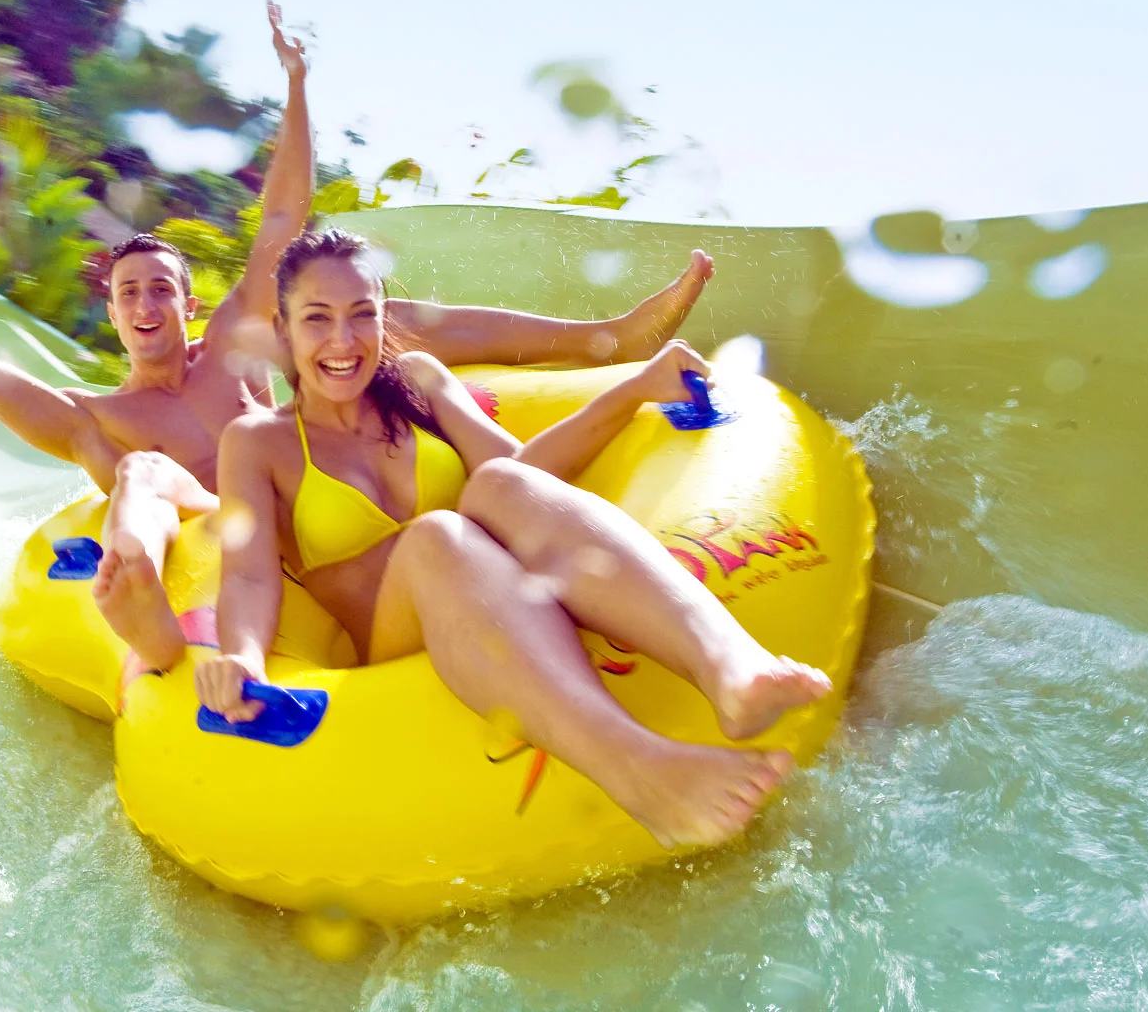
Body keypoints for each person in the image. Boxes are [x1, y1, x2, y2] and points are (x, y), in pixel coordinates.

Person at [0, 0, 715, 674]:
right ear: (114, 314)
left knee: (382, 325)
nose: (146, 303)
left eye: (163, 289)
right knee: (147, 472)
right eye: (130, 293)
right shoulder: (94, 416)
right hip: (234, 541)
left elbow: (282, 220)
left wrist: (296, 83)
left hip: (321, 493)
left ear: (190, 306)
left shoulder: (232, 347)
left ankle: (606, 339)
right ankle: (139, 594)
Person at [194, 228, 832, 849]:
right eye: (317, 319)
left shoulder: (415, 381)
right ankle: (641, 771)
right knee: (437, 534)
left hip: (491, 595)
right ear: (282, 330)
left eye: (363, 314)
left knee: (498, 481)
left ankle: (729, 670)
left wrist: (633, 389)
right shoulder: (258, 442)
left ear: (384, 317)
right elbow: (248, 573)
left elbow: (526, 473)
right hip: (394, 641)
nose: (343, 340)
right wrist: (243, 657)